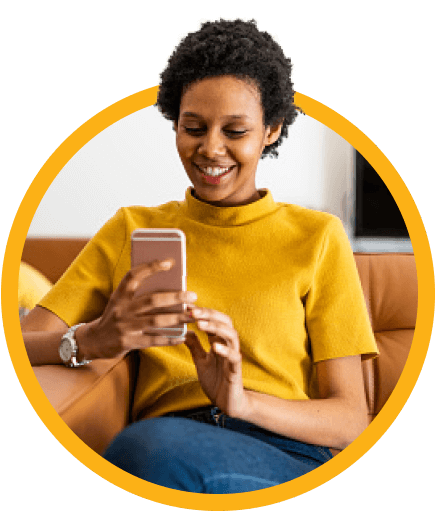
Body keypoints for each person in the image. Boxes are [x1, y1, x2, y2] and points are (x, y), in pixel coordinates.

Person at [21, 17, 379, 493]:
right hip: (165, 442)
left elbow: (350, 418)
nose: (211, 148)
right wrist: (93, 339)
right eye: (193, 127)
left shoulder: (317, 236)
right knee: (148, 449)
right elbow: (22, 341)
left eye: (235, 130)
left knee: (145, 449)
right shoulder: (133, 227)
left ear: (270, 130)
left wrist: (240, 401)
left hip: (282, 451)